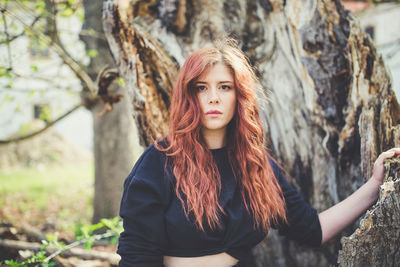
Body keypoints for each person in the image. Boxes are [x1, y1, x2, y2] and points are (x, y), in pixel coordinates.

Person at [117, 38, 400, 267]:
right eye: (201, 88)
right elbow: (138, 259)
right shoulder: (159, 163)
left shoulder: (255, 164)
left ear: (239, 96)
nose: (213, 97)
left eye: (224, 87)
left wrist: (375, 185)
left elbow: (313, 230)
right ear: (188, 95)